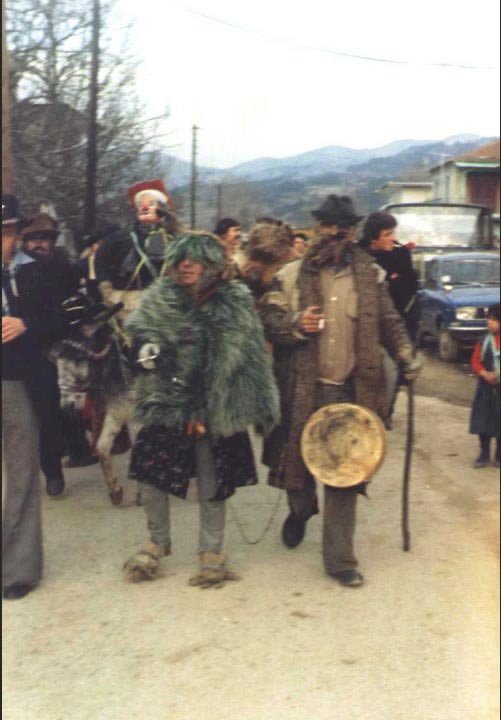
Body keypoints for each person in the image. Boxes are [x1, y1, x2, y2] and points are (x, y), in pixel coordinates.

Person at [260, 194, 420, 588]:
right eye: (329, 226)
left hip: (350, 392)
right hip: (303, 390)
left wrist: (405, 354)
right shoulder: (291, 275)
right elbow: (267, 317)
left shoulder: (371, 276)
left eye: (344, 227)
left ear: (353, 232)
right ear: (318, 229)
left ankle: (340, 560)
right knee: (297, 474)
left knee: (345, 475)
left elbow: (390, 322)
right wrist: (295, 323)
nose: (336, 233)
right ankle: (301, 511)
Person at [123, 231, 280, 587]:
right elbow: (140, 338)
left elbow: (252, 358)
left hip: (214, 409)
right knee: (150, 477)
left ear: (212, 265)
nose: (186, 265)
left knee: (212, 483)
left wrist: (256, 406)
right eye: (181, 259)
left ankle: (212, 553)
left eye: (195, 260)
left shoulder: (234, 302)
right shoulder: (160, 297)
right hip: (168, 402)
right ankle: (157, 543)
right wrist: (146, 351)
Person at [2, 195, 63, 598]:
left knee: (22, 474)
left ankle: (18, 571)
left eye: (7, 232)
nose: (3, 241)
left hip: (18, 381)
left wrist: (26, 324)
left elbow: (60, 321)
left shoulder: (36, 273)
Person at [21, 214, 94, 490]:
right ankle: (55, 468)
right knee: (45, 414)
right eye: (33, 239)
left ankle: (69, 457)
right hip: (29, 349)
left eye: (45, 239)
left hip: (63, 346)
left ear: (53, 242)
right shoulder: (18, 271)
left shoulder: (65, 270)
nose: (39, 244)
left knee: (63, 408)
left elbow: (77, 305)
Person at [359, 211, 421, 428]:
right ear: (373, 238)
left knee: (394, 371)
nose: (393, 238)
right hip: (366, 323)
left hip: (394, 321)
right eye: (387, 234)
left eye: (393, 233)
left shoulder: (401, 255)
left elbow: (409, 289)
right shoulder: (360, 256)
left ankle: (386, 412)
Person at [95, 180, 179, 295]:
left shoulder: (172, 239)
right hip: (126, 299)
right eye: (140, 205)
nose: (144, 208)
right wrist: (106, 287)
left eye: (151, 204)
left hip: (163, 299)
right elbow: (101, 261)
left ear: (160, 208)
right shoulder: (119, 238)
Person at [469, 302, 500, 468]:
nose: (489, 322)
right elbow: (475, 361)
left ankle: (499, 455)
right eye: (488, 319)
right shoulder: (483, 340)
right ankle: (484, 454)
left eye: (493, 320)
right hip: (485, 388)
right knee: (483, 421)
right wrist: (484, 373)